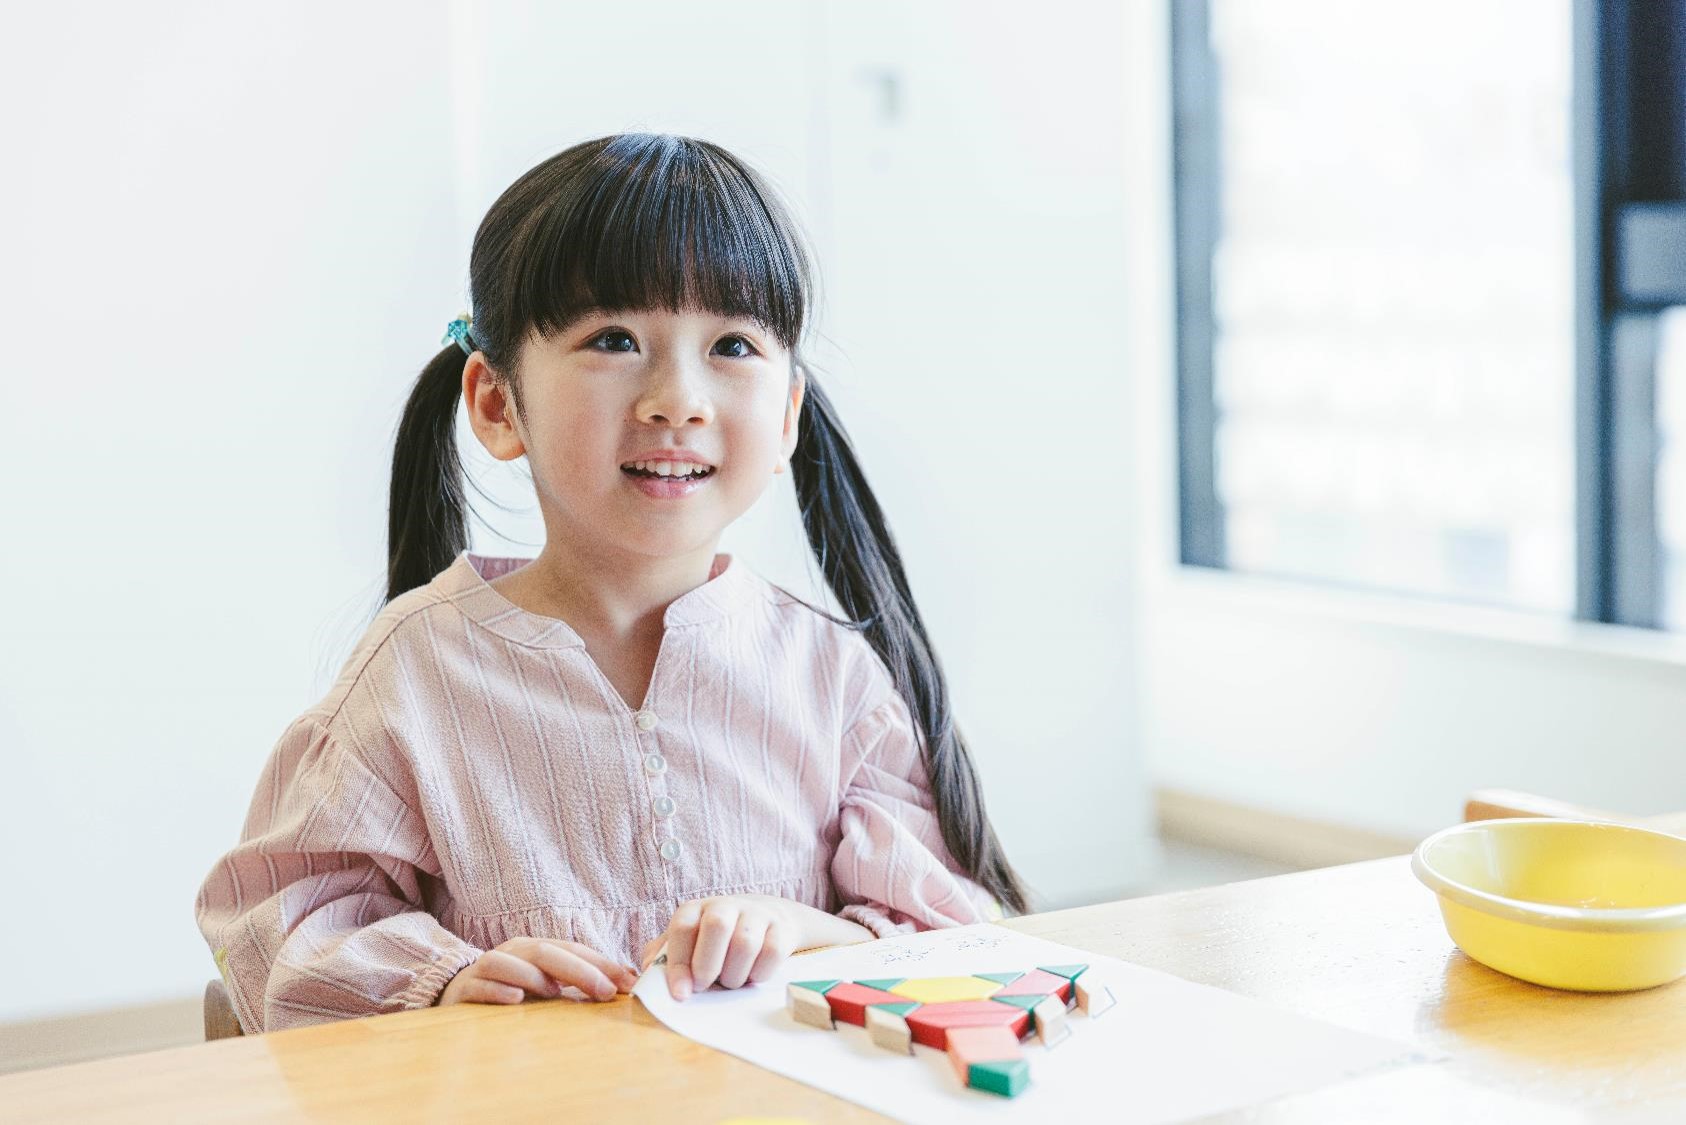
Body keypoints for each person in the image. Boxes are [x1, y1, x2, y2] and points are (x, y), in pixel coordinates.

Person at [195, 132, 1028, 1033]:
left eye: (734, 345)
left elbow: (947, 940)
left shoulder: (832, 680)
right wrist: (442, 979)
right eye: (617, 338)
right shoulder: (413, 675)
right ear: (496, 404)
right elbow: (279, 933)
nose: (678, 397)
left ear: (788, 413)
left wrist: (807, 930)